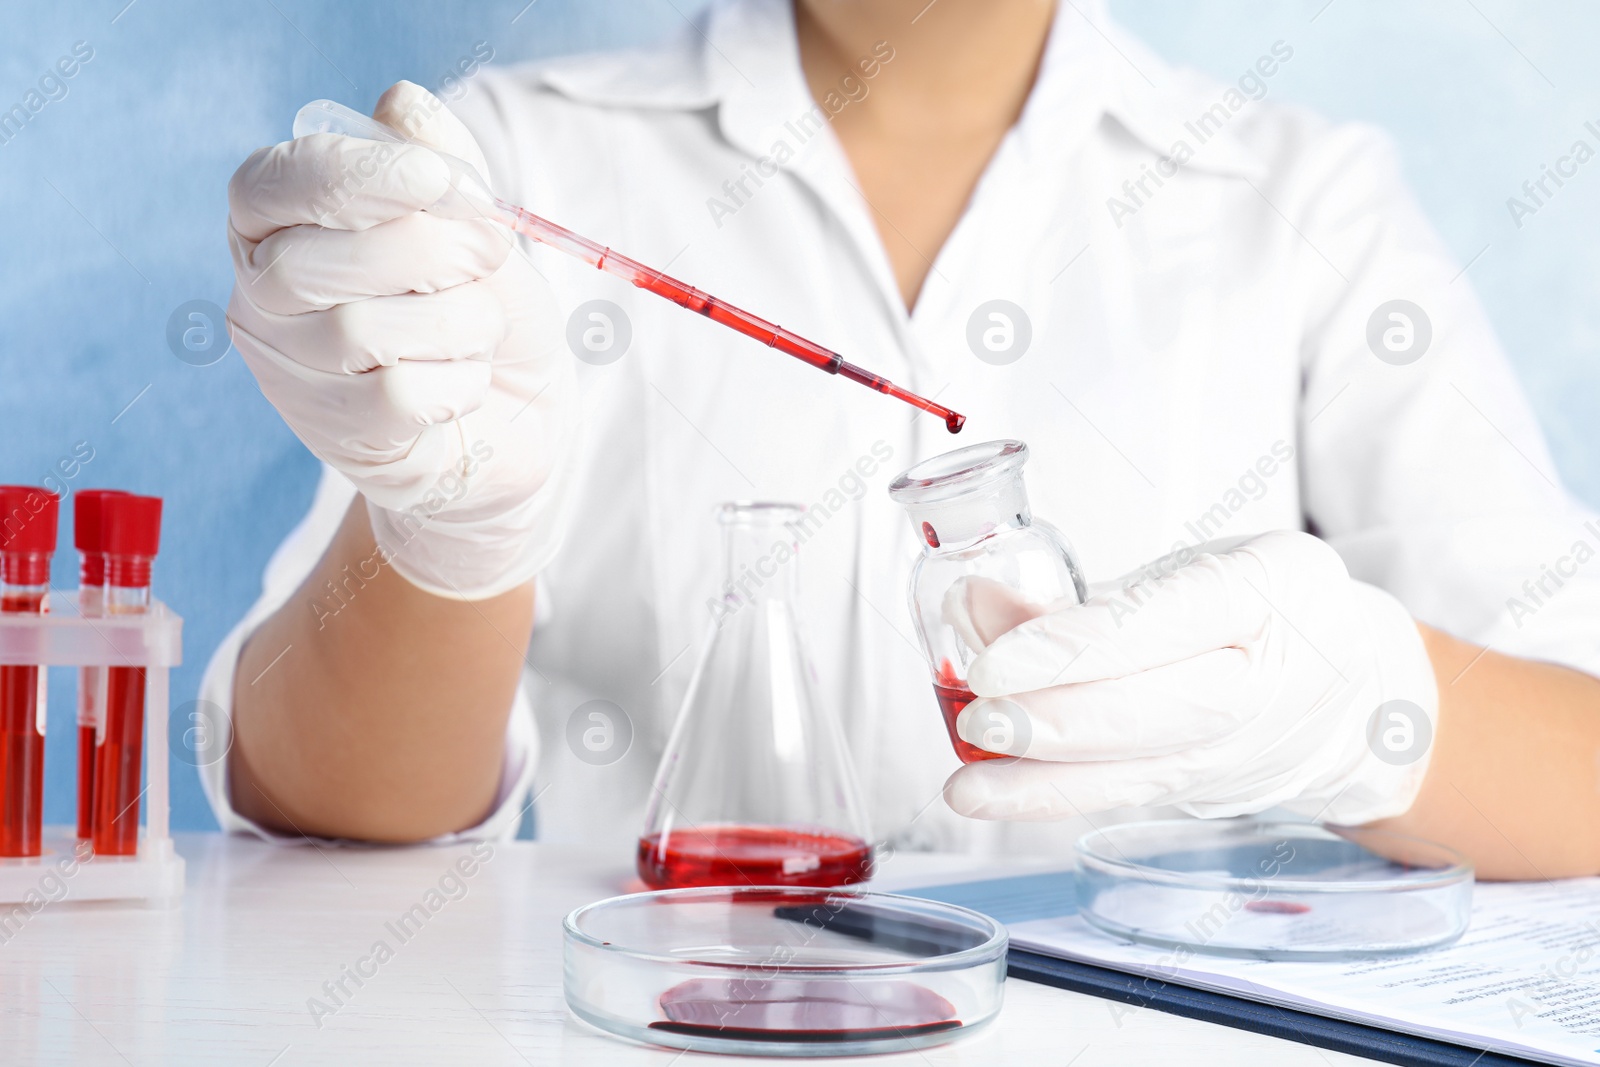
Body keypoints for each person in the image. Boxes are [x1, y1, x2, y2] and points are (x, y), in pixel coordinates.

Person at [212, 0, 1600, 878]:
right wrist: (449, 534)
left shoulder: (1302, 200)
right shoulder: (523, 164)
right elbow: (326, 803)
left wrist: (1357, 715)